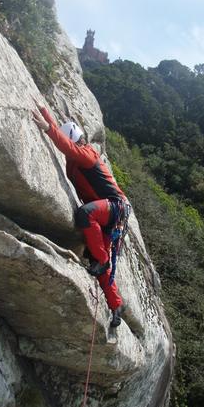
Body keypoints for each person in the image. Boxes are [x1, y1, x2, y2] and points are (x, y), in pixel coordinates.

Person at [32, 103, 127, 327]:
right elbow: (65, 141)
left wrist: (48, 128)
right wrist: (45, 111)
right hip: (108, 213)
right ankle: (116, 306)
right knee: (97, 259)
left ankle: (103, 261)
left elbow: (68, 146)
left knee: (86, 216)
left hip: (115, 207)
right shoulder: (75, 156)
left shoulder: (87, 154)